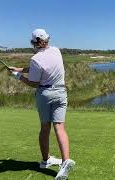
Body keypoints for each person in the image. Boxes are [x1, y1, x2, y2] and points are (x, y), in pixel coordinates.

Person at [10, 29, 75, 180]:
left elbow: (34, 82)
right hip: (61, 93)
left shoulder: (35, 59)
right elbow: (38, 68)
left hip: (45, 95)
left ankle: (45, 161)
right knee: (59, 126)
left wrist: (19, 76)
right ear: (47, 39)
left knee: (45, 127)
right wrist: (20, 69)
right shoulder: (56, 50)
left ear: (34, 42)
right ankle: (65, 161)